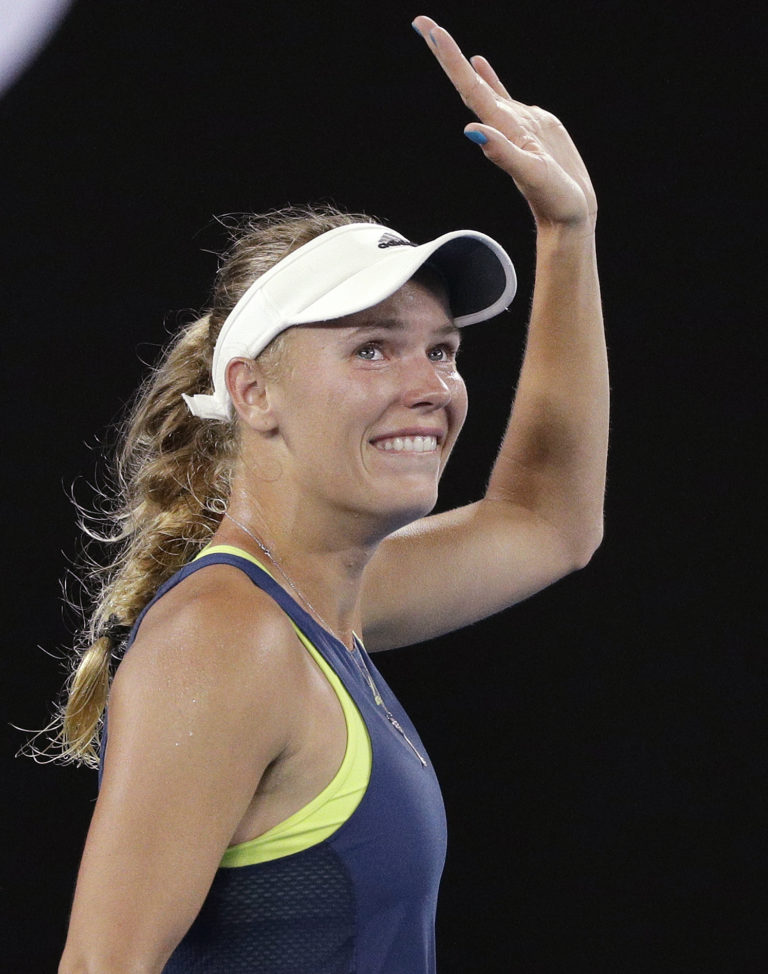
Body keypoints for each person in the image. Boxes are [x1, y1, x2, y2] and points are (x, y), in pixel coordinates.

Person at [54, 14, 607, 974]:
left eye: (441, 349)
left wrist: (568, 232)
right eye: (372, 347)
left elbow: (547, 522)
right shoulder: (229, 638)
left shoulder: (320, 603)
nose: (431, 384)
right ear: (252, 393)